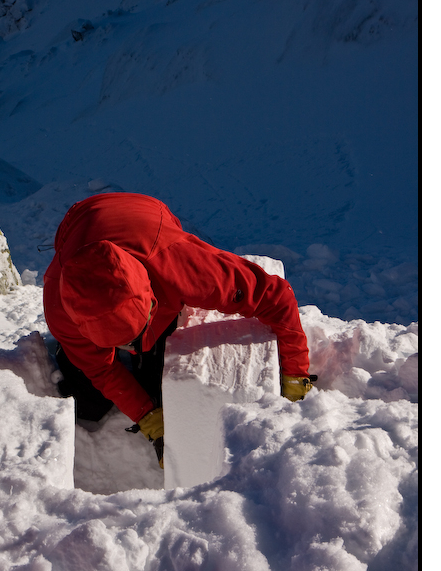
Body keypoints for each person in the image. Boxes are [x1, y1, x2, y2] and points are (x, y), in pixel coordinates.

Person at [43, 193, 316, 468]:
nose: (133, 347)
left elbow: (275, 295)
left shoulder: (180, 265)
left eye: (139, 332)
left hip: (144, 216)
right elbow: (101, 370)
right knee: (89, 393)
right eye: (124, 345)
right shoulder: (60, 308)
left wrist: (295, 372)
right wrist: (147, 415)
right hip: (76, 227)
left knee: (155, 372)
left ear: (151, 295)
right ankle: (72, 352)